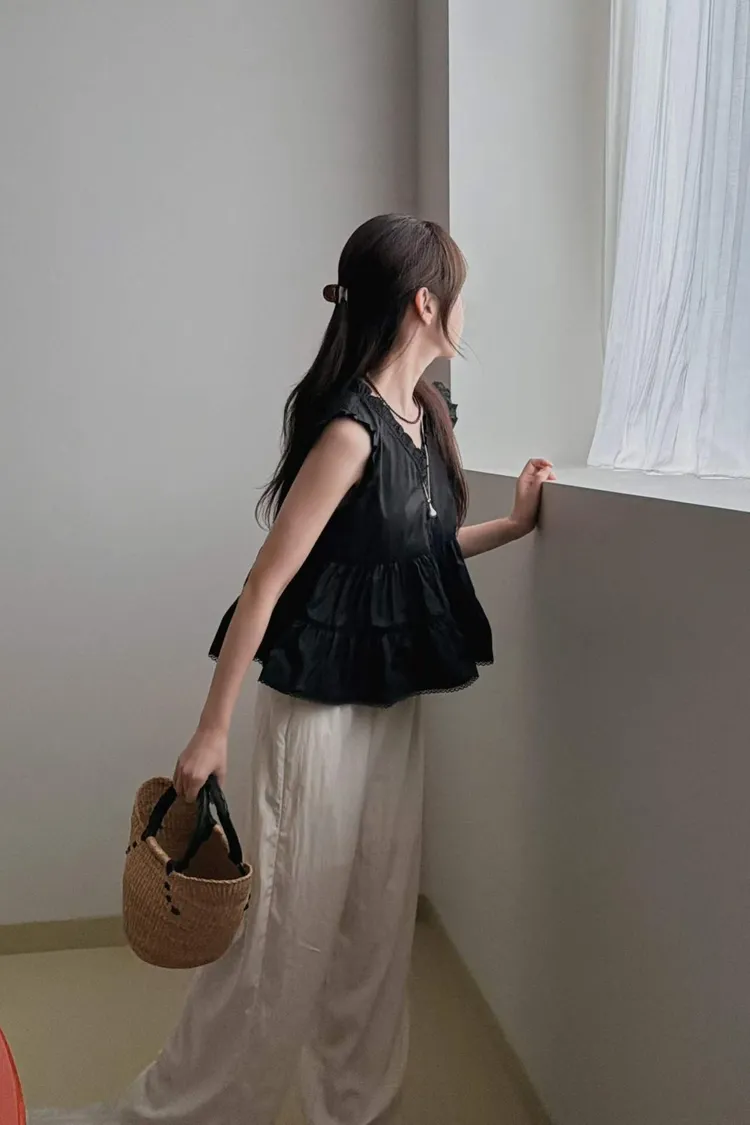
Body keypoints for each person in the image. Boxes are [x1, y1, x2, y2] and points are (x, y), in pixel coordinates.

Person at [31, 214, 554, 1125]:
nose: (465, 308)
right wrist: (211, 729)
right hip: (317, 710)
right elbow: (267, 582)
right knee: (286, 926)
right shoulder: (351, 431)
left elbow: (417, 557)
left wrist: (510, 526)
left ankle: (352, 1106)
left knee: (376, 917)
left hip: (389, 704)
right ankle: (196, 1109)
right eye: (458, 293)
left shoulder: (426, 415)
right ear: (426, 304)